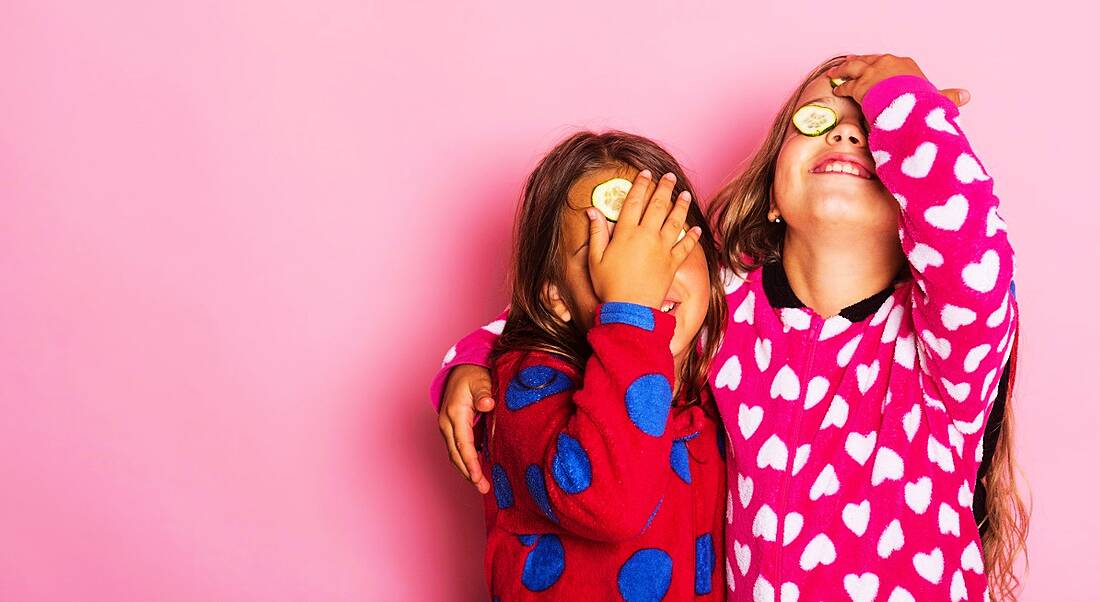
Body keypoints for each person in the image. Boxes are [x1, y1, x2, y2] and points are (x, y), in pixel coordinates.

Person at [434, 55, 1027, 600]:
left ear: (913, 198)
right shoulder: (730, 311)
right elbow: (609, 301)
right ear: (772, 191)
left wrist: (909, 106)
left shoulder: (948, 344)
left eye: (874, 131)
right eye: (819, 118)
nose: (849, 132)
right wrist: (474, 357)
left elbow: (973, 248)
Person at [478, 131, 729, 599]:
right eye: (609, 248)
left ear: (713, 265)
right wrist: (631, 311)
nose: (645, 271)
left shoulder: (720, 384)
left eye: (666, 236)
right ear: (556, 299)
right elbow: (613, 504)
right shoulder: (529, 386)